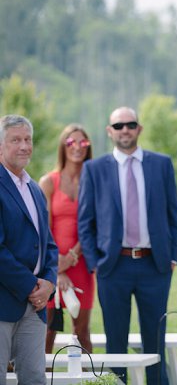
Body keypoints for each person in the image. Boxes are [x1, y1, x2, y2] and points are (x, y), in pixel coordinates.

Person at [78, 107, 177, 385]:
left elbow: (173, 214)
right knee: (115, 338)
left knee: (154, 337)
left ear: (139, 128)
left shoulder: (161, 164)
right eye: (119, 125)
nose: (125, 129)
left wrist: (172, 256)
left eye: (130, 124)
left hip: (155, 265)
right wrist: (95, 263)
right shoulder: (94, 169)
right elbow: (85, 221)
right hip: (113, 265)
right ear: (110, 131)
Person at [0, 114, 58, 384]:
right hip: (5, 300)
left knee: (35, 377)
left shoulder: (34, 188)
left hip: (35, 306)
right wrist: (31, 286)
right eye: (15, 140)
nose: (24, 146)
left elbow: (49, 244)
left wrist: (49, 283)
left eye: (27, 139)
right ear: (1, 145)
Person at [39, 124, 95, 354]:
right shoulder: (48, 182)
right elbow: (44, 228)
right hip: (51, 265)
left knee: (82, 332)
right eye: (71, 142)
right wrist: (58, 269)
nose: (77, 147)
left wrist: (73, 256)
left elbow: (93, 224)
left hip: (81, 265)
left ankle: (89, 380)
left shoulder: (93, 181)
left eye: (83, 142)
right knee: (47, 331)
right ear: (63, 146)